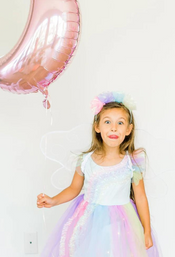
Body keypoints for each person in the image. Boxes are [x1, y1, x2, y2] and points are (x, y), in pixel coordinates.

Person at [36, 91, 163, 257]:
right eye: (107, 121)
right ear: (97, 127)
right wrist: (53, 200)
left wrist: (146, 230)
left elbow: (140, 197)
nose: (113, 128)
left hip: (121, 224)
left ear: (128, 130)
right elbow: (74, 188)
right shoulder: (85, 160)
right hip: (89, 221)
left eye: (120, 123)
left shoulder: (132, 162)